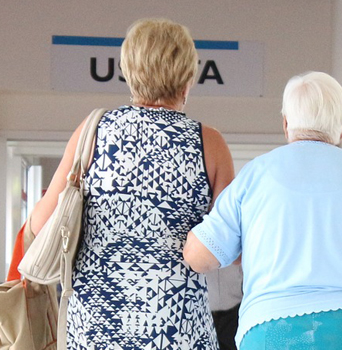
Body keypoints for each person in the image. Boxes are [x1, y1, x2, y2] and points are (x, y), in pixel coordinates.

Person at [183, 72, 342, 349]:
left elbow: (201, 258)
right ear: (341, 128)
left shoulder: (256, 174)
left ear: (285, 124)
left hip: (274, 331)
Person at [22, 18, 234, 349]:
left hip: (95, 331)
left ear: (128, 71)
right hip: (178, 332)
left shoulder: (93, 131)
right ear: (188, 79)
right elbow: (229, 245)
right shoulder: (209, 144)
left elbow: (39, 222)